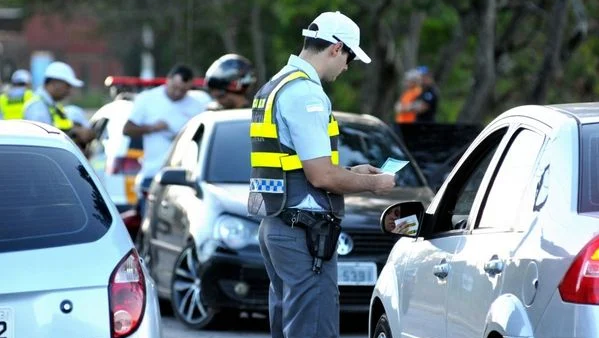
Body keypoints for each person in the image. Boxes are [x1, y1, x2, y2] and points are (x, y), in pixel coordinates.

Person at [248, 11, 396, 338]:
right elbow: (321, 177)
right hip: (303, 233)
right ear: (335, 48)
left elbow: (297, 164)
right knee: (315, 328)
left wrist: (350, 172)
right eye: (350, 59)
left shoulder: (274, 86)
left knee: (289, 327)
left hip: (277, 224)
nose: (347, 67)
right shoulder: (306, 94)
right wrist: (374, 183)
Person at [123, 64, 210, 216]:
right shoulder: (147, 99)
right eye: (174, 87)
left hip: (185, 177)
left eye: (183, 90)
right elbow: (127, 130)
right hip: (153, 173)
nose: (177, 93)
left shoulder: (197, 106)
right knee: (149, 221)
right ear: (168, 80)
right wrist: (151, 128)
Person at [23, 62, 95, 147]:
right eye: (67, 86)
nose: (69, 92)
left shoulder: (52, 106)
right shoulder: (37, 107)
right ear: (54, 83)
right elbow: (42, 141)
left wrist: (75, 132)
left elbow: (57, 129)